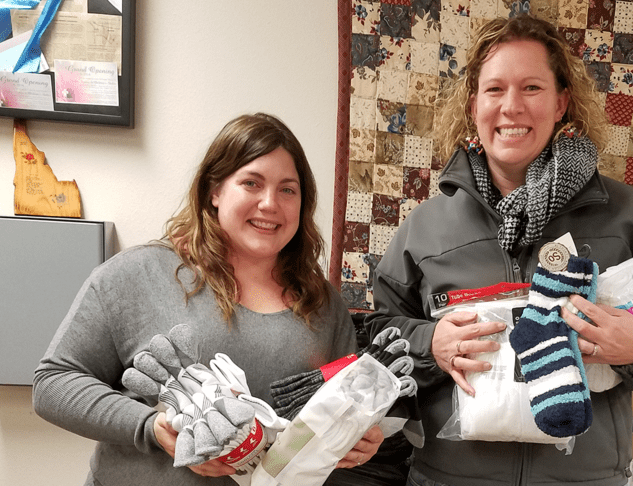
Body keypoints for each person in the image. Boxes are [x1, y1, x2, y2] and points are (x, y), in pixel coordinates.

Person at [365, 13, 633, 486]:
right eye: (494, 90)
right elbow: (381, 334)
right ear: (473, 105)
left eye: (531, 88)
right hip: (449, 478)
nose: (512, 107)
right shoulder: (425, 229)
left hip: (589, 478)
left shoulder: (628, 215)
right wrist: (433, 344)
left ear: (561, 103)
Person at [32, 112, 383, 485]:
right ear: (214, 191)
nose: (270, 203)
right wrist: (151, 428)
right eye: (251, 183)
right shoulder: (138, 274)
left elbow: (336, 411)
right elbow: (53, 383)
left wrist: (354, 438)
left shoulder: (324, 305)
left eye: (287, 189)